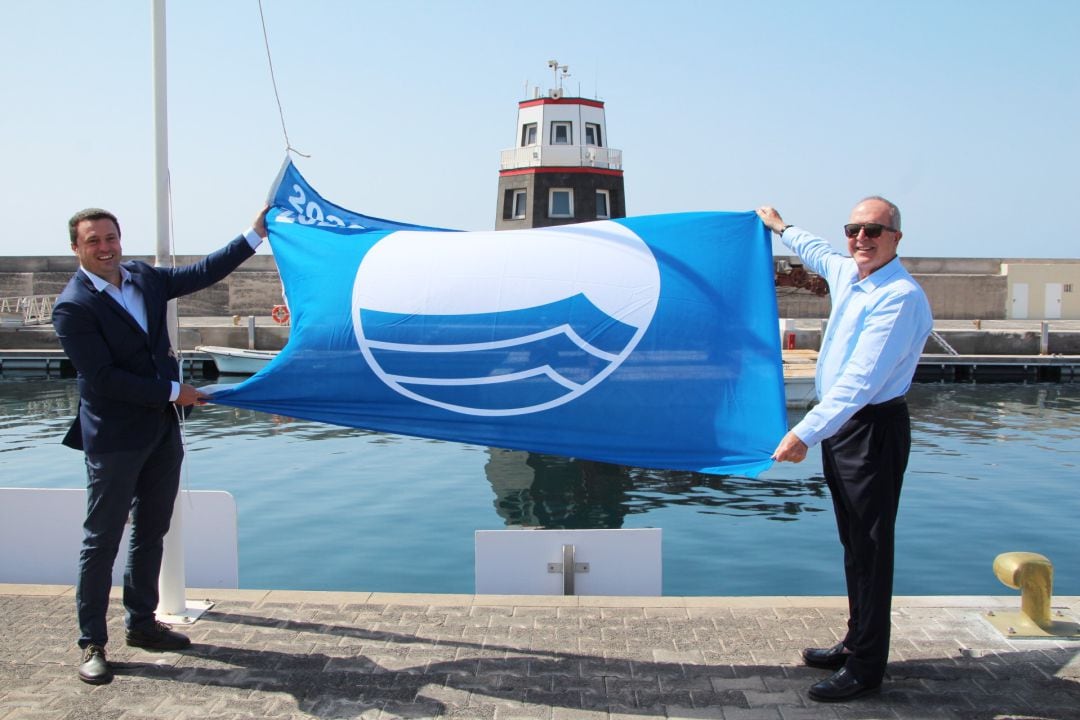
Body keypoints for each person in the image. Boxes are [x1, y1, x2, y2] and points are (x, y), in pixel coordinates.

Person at [53, 206, 268, 685]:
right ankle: (92, 642)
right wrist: (176, 391)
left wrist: (253, 235)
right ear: (77, 249)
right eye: (94, 241)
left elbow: (201, 273)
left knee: (152, 530)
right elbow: (104, 379)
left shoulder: (143, 279)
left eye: (111, 237)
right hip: (114, 437)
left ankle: (142, 623)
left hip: (161, 430)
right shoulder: (73, 306)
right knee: (101, 539)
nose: (106, 247)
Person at [756, 197, 932, 702]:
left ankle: (866, 667)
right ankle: (857, 641)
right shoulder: (849, 273)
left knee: (872, 548)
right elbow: (816, 252)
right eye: (854, 229)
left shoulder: (899, 296)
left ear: (896, 238)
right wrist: (780, 226)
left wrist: (802, 434)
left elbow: (859, 381)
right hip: (845, 429)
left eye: (874, 231)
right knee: (853, 542)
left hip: (872, 430)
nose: (862, 238)